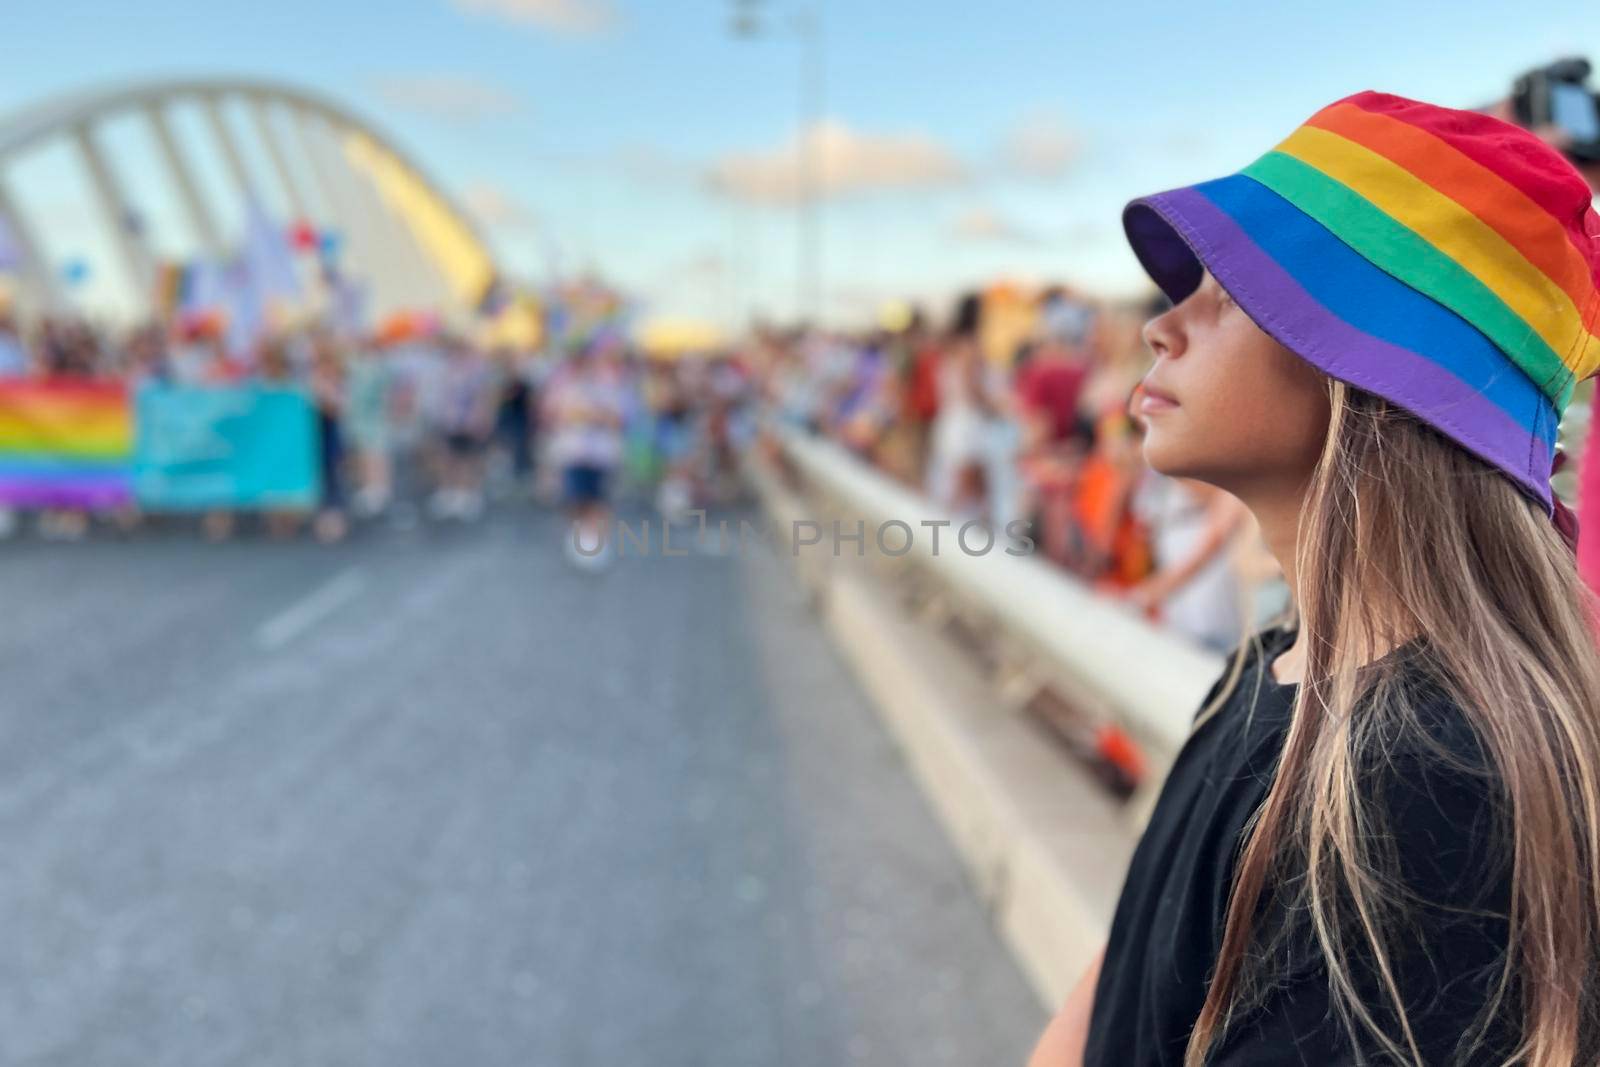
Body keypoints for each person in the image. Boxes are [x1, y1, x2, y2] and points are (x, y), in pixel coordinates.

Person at [1030, 91, 1600, 1065]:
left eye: (1233, 287)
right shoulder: (1262, 670)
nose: (1162, 327)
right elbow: (1126, 965)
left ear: (1375, 371)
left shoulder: (1431, 791)